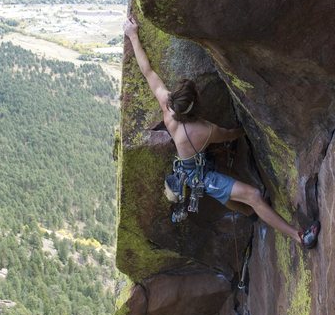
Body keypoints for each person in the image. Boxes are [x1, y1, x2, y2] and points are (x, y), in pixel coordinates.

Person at [123, 15, 320, 249]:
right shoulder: (206, 130)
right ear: (195, 105)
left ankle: (249, 213)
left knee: (228, 194)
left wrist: (133, 35)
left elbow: (148, 72)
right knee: (254, 195)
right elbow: (230, 135)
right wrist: (246, 129)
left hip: (191, 169)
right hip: (203, 177)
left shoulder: (167, 107)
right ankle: (299, 236)